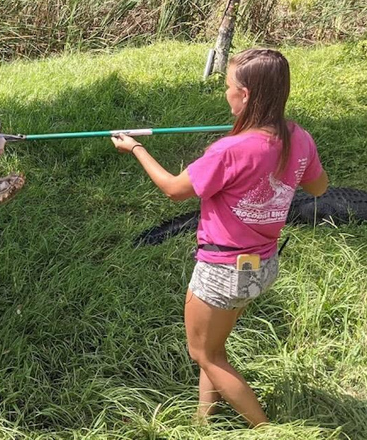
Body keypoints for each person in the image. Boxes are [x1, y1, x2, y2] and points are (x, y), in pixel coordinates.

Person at [111, 48, 328, 427]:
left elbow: (175, 190)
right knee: (214, 346)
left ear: (245, 95)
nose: (225, 93)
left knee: (205, 354)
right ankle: (203, 421)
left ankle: (266, 429)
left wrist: (136, 149)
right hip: (261, 266)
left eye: (228, 87)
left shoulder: (228, 150)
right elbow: (319, 187)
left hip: (222, 269)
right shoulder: (298, 136)